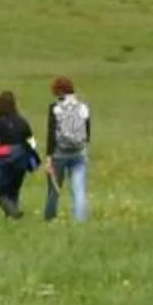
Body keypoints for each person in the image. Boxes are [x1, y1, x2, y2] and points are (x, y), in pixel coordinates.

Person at [0, 89, 37, 217]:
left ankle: (13, 212)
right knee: (14, 189)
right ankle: (12, 213)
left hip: (2, 158)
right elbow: (32, 144)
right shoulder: (23, 122)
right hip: (21, 157)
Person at [43, 75, 91, 223]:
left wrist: (49, 156)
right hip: (78, 152)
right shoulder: (83, 106)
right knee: (79, 188)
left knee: (54, 189)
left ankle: (50, 217)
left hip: (59, 153)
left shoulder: (55, 108)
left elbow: (51, 133)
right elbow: (87, 131)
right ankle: (80, 219)